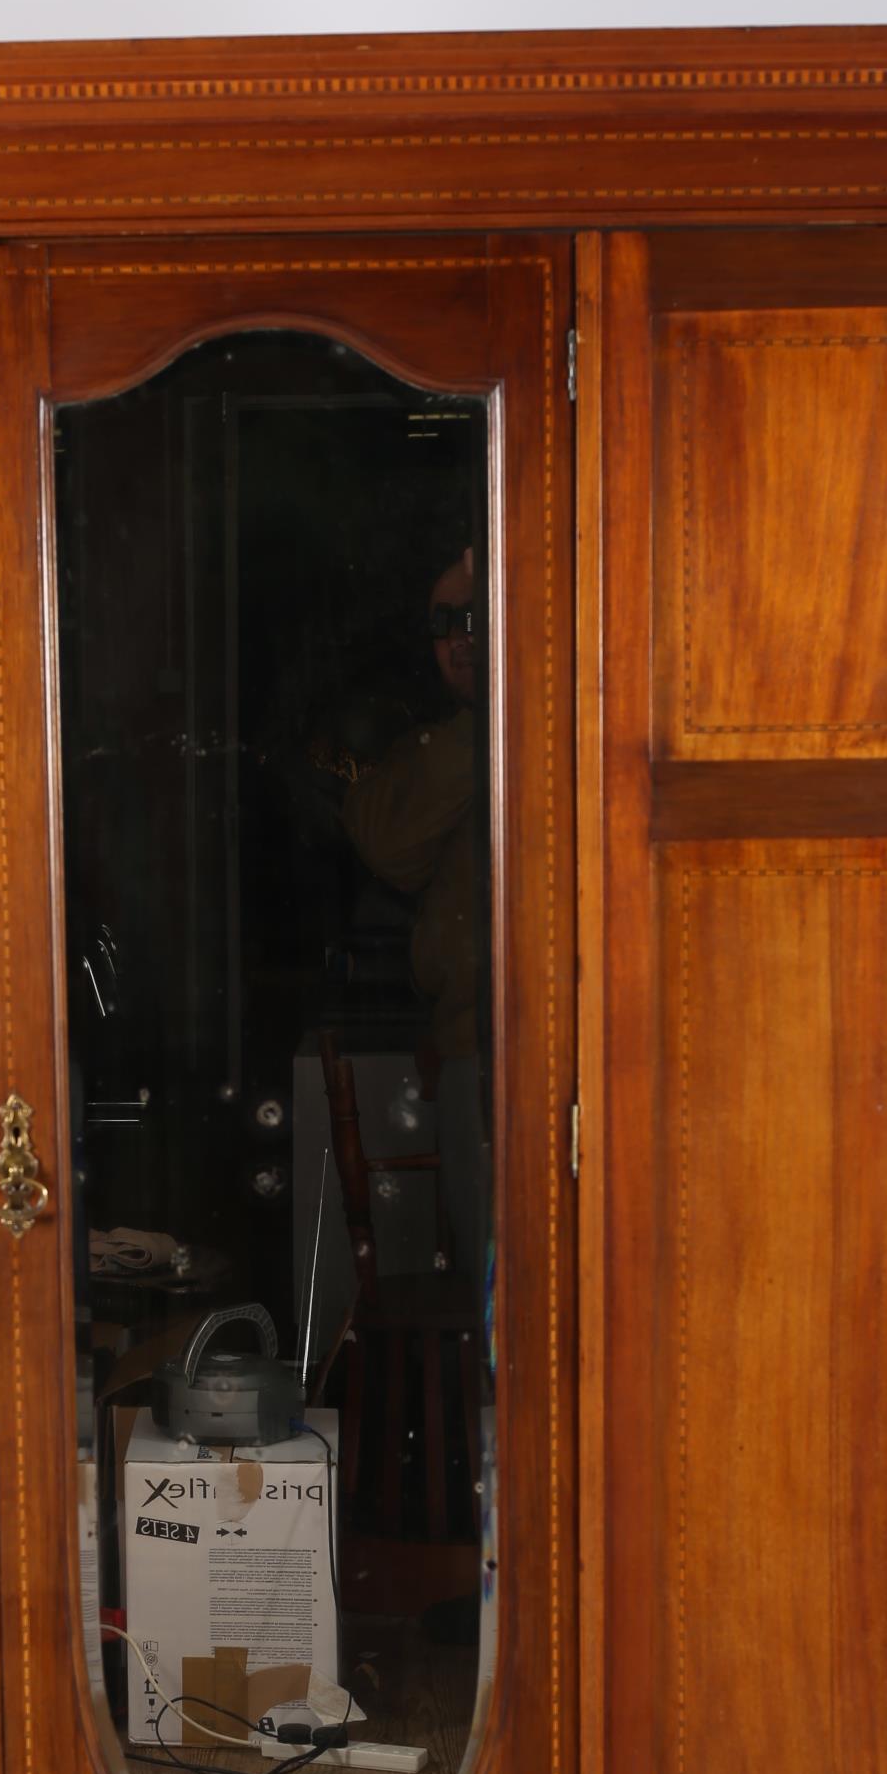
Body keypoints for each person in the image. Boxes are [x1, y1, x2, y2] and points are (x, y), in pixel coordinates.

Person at [340, 547, 490, 1289]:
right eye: (444, 622)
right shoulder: (453, 741)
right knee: (498, 1316)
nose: (461, 638)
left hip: (590, 1059)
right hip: (473, 1053)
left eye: (477, 616)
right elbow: (387, 840)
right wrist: (495, 715)